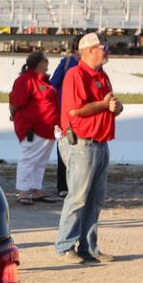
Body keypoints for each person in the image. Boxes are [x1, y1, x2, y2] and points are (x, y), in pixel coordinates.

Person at [54, 32, 124, 264]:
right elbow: (75, 111)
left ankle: (88, 246)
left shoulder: (101, 75)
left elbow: (108, 105)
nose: (107, 50)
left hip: (100, 143)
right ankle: (65, 246)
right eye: (103, 46)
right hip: (82, 143)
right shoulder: (76, 74)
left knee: (94, 199)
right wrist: (104, 105)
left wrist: (115, 107)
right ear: (90, 50)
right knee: (78, 197)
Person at [9, 50, 59, 205]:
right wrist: (15, 117)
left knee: (41, 161)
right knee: (28, 159)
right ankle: (23, 192)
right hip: (33, 128)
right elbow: (15, 102)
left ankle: (37, 190)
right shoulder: (25, 80)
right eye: (45, 60)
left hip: (47, 127)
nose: (47, 62)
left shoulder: (43, 80)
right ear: (39, 63)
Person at [49, 37, 81, 196]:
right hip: (65, 113)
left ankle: (77, 184)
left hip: (83, 114)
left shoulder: (93, 66)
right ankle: (63, 186)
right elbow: (53, 84)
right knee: (64, 148)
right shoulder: (67, 62)